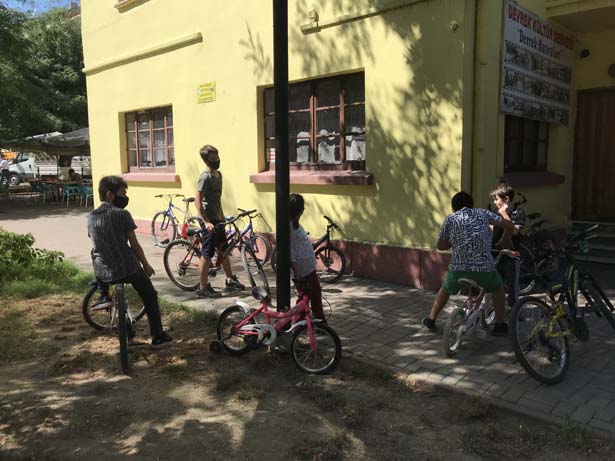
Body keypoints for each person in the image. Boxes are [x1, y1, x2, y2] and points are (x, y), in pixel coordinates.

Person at [87, 175, 172, 348]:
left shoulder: (91, 217)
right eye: (123, 193)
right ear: (110, 194)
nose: (125, 197)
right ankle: (157, 335)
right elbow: (135, 245)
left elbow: (96, 241)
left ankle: (105, 295)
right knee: (149, 295)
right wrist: (146, 265)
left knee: (95, 254)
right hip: (128, 267)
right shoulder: (123, 214)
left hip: (104, 270)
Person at [421, 191, 514, 335]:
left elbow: (441, 246)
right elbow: (509, 225)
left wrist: (456, 241)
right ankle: (500, 325)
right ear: (471, 205)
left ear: (453, 208)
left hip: (458, 270)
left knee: (445, 289)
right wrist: (506, 237)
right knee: (497, 287)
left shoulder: (450, 219)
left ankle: (431, 319)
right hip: (484, 270)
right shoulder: (483, 213)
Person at [195, 144, 244, 298]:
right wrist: (206, 222)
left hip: (218, 219)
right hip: (208, 219)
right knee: (207, 253)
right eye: (212, 158)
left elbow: (217, 200)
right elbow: (197, 202)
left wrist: (223, 218)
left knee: (224, 250)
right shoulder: (205, 177)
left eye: (217, 156)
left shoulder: (218, 175)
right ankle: (203, 287)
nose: (216, 160)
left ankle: (230, 280)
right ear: (205, 160)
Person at [289, 193, 326, 322]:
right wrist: (297, 272)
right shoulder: (289, 226)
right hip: (302, 271)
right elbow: (290, 251)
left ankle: (318, 321)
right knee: (305, 298)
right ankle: (299, 323)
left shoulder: (295, 224)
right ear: (299, 210)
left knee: (314, 294)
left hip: (308, 268)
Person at [491, 182, 525, 306]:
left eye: (496, 199)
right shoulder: (495, 212)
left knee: (512, 283)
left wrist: (504, 214)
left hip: (511, 253)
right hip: (495, 253)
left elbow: (515, 231)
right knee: (495, 282)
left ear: (506, 199)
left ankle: (514, 308)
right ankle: (495, 307)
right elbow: (491, 229)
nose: (494, 202)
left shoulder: (518, 212)